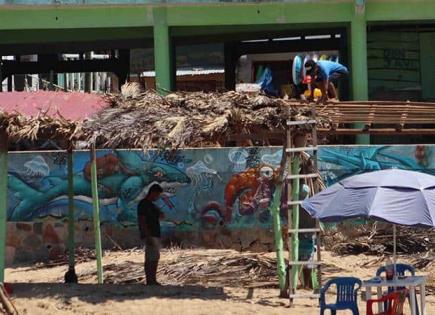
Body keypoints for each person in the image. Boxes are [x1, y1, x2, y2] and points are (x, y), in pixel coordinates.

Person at [137, 184, 165, 286]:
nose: (158, 197)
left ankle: (153, 279)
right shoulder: (144, 204)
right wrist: (146, 234)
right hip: (150, 234)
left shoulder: (152, 206)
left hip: (155, 234)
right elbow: (142, 220)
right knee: (150, 258)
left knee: (154, 258)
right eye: (157, 195)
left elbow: (161, 216)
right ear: (153, 193)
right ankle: (150, 280)